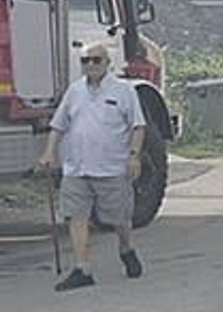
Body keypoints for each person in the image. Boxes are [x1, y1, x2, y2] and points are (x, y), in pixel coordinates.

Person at [39, 42, 147, 291]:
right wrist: (49, 151)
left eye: (96, 60)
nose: (91, 65)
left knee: (119, 219)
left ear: (108, 63)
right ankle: (82, 269)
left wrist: (133, 156)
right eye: (85, 61)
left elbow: (137, 126)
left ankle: (126, 248)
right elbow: (59, 124)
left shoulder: (124, 91)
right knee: (76, 216)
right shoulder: (74, 91)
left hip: (111, 168)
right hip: (76, 168)